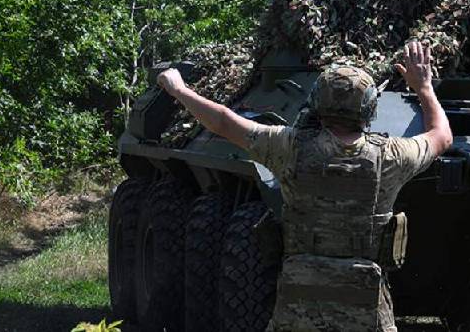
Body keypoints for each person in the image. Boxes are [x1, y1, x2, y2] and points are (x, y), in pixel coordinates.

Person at [157, 41, 453, 331]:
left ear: (317, 103)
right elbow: (442, 136)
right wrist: (423, 87)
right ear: (369, 108)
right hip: (366, 314)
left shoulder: (288, 147)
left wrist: (179, 89)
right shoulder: (391, 156)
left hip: (297, 312)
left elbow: (223, 122)